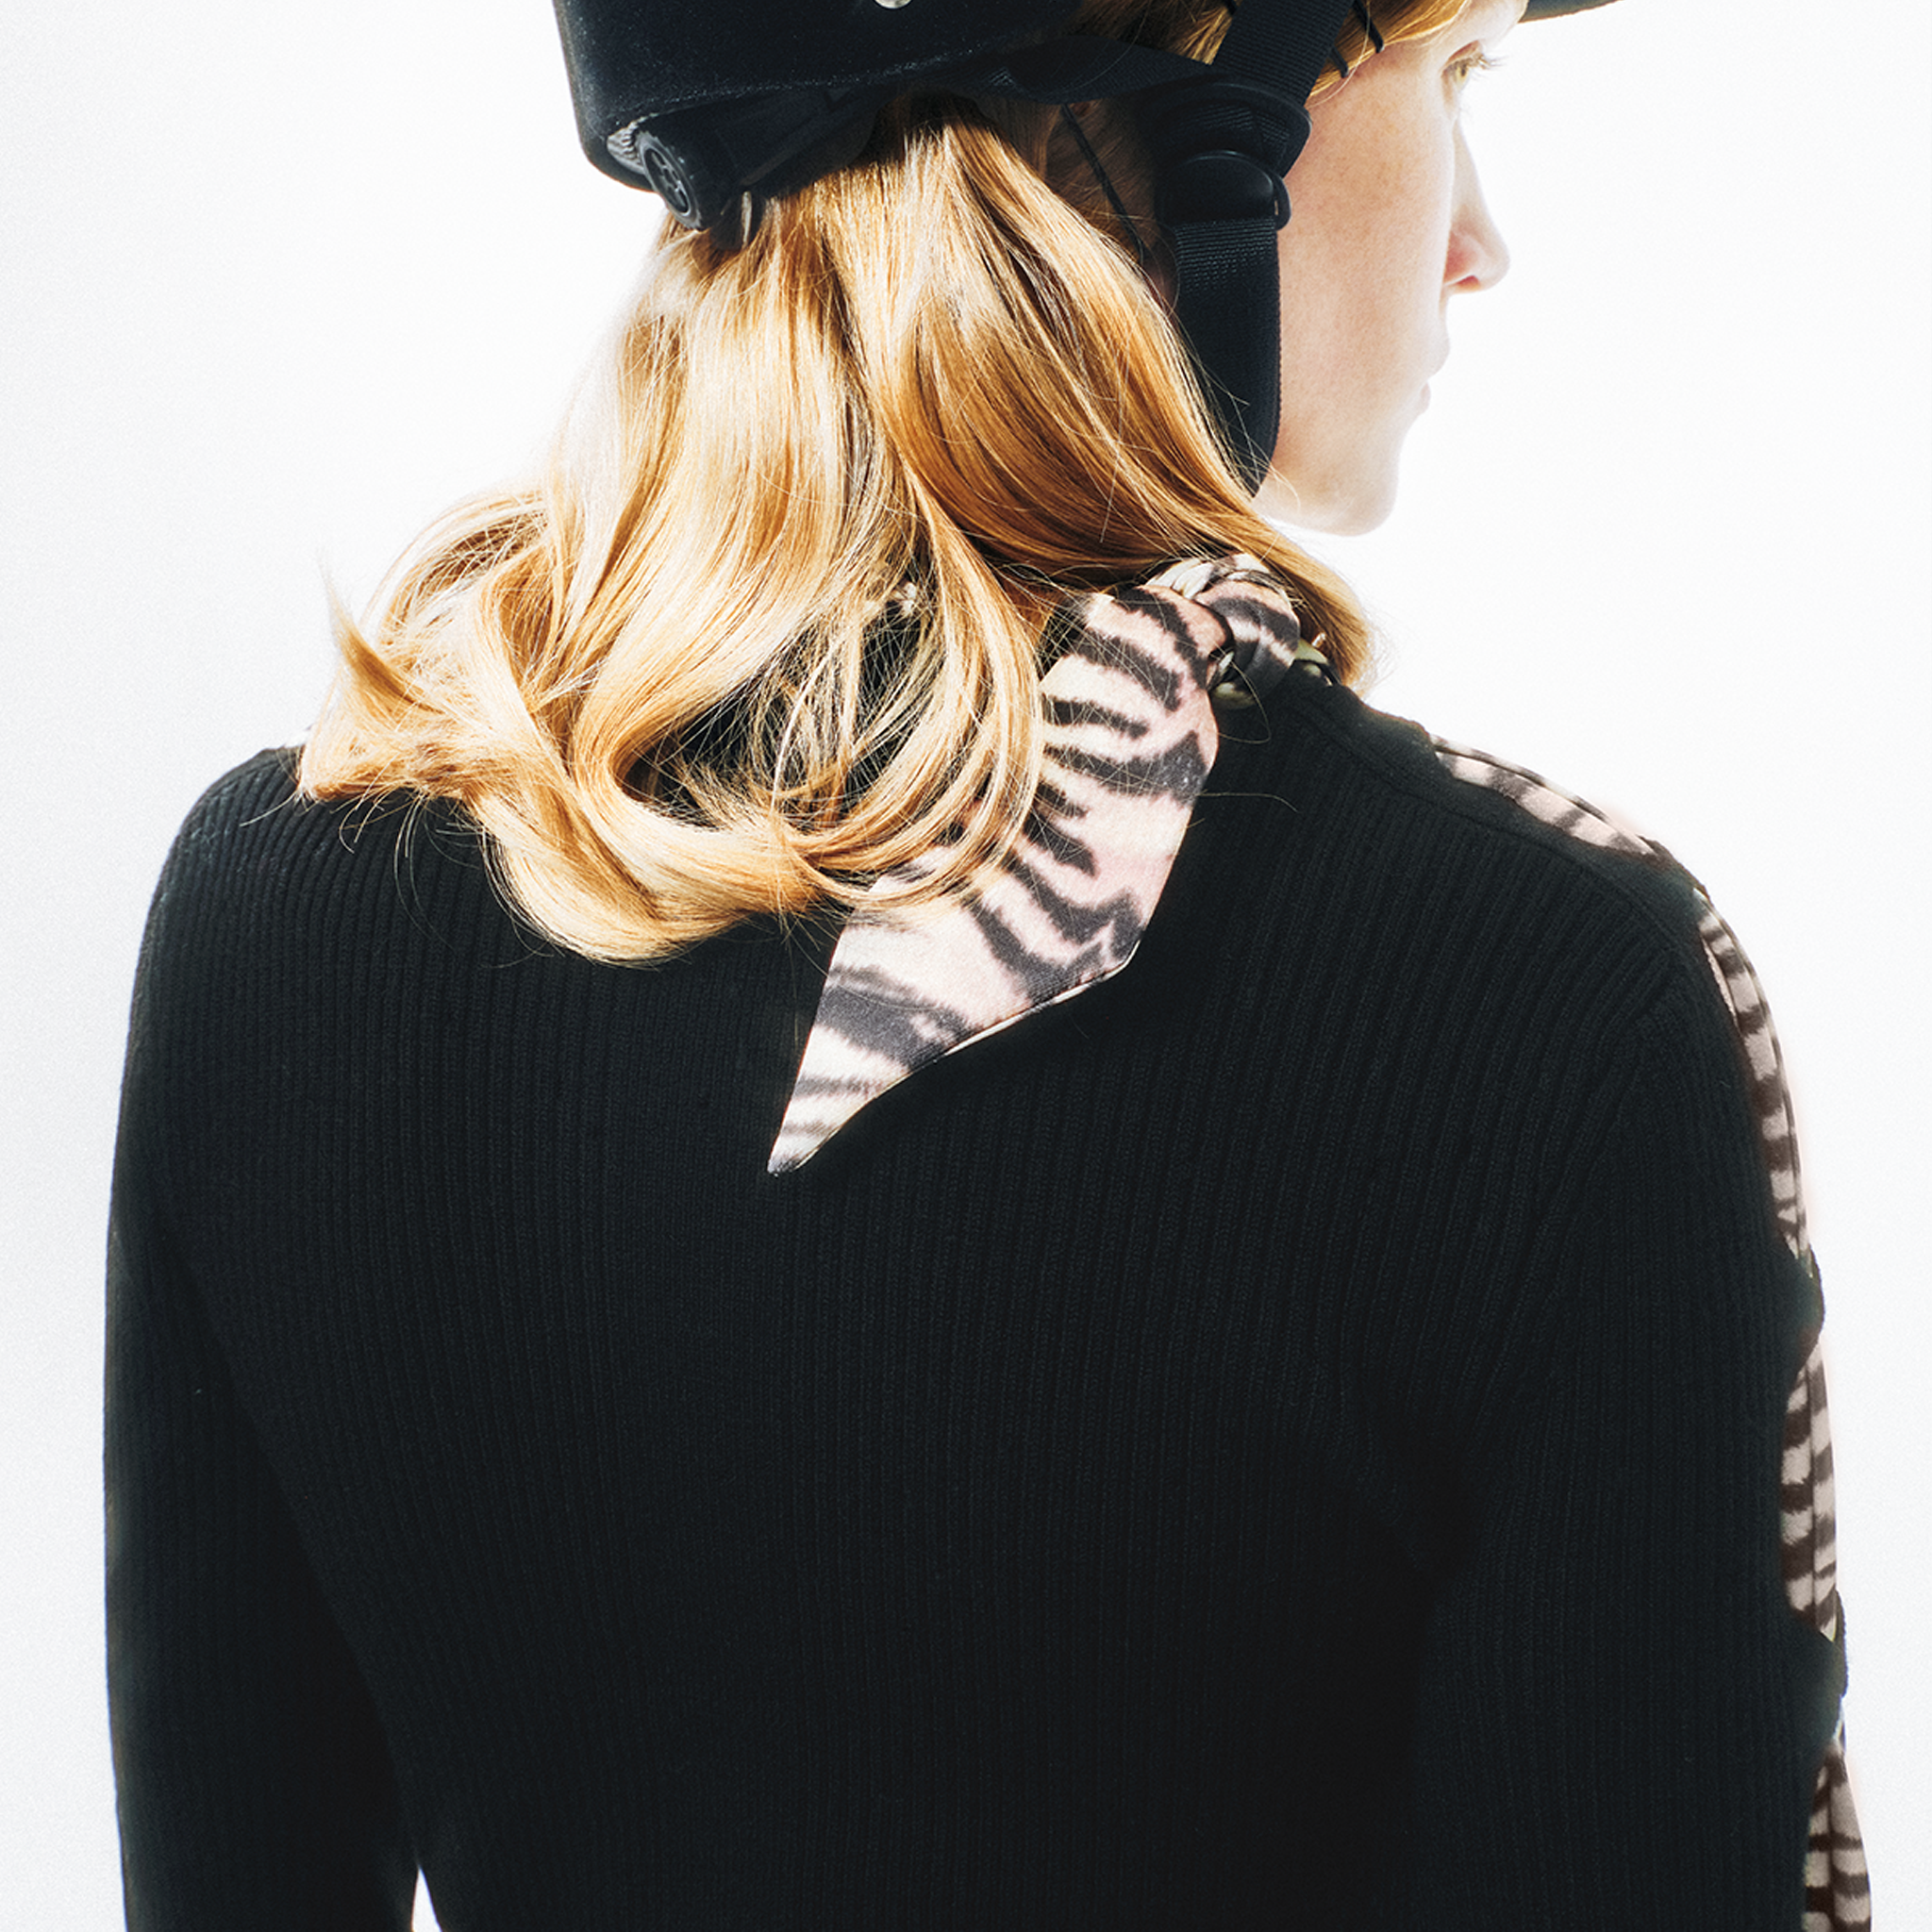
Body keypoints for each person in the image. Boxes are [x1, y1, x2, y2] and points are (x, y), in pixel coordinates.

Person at [105, 0, 1868, 1924]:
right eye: (1451, 73)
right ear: (1215, 114)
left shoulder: (270, 914)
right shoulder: (1555, 998)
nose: (1479, 239)